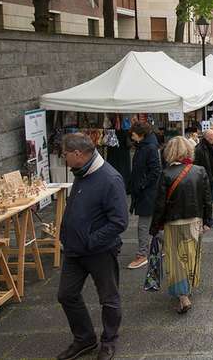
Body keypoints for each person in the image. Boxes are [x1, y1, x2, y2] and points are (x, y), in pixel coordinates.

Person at [57, 133, 128, 360]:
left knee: (108, 298)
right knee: (66, 295)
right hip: (74, 250)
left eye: (65, 154)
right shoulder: (81, 172)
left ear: (78, 154)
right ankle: (85, 339)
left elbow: (119, 221)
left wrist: (91, 240)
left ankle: (108, 342)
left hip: (99, 251)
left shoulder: (109, 178)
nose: (63, 158)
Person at [149, 137, 212, 314]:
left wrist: (154, 227)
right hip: (195, 221)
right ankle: (188, 287)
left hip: (173, 222)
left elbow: (159, 204)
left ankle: (183, 296)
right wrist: (208, 221)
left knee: (176, 259)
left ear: (169, 152)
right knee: (192, 255)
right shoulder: (199, 171)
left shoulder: (166, 173)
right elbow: (207, 199)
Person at [128, 122, 162, 269]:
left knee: (143, 224)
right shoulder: (143, 146)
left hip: (148, 192)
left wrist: (141, 184)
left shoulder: (149, 148)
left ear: (141, 133)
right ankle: (171, 244)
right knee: (151, 224)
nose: (131, 135)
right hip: (144, 191)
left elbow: (155, 170)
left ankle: (142, 255)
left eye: (133, 132)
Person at [193, 129, 213, 228]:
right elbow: (197, 166)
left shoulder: (212, 146)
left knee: (210, 201)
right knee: (207, 202)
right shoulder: (200, 149)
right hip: (206, 179)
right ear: (207, 137)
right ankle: (208, 221)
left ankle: (208, 220)